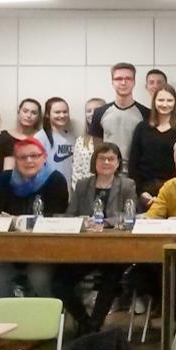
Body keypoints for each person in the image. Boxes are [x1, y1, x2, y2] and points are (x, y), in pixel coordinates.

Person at [57, 142, 138, 335]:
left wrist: (105, 223)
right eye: (102, 158)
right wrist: (82, 221)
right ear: (95, 161)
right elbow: (70, 214)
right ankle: (85, 320)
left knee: (111, 277)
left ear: (118, 163)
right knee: (59, 280)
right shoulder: (84, 185)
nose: (107, 162)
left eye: (111, 158)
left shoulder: (127, 185)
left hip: (115, 250)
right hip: (84, 250)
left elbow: (130, 216)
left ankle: (94, 325)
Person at [0, 138, 69, 299]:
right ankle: (7, 317)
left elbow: (55, 218)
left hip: (43, 250)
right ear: (16, 160)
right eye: (22, 157)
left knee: (39, 278)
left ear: (44, 157)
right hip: (6, 249)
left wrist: (15, 220)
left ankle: (46, 317)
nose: (29, 161)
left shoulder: (56, 180)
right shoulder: (4, 179)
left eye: (34, 156)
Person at [129, 85, 176, 199]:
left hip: (175, 191)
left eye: (169, 100)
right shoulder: (142, 128)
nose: (165, 104)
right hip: (145, 190)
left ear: (175, 103)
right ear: (154, 102)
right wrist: (141, 192)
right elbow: (133, 164)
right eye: (161, 100)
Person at [89, 63, 149, 165]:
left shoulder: (146, 113)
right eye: (118, 79)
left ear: (134, 82)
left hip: (136, 174)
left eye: (128, 78)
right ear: (112, 82)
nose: (123, 82)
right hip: (108, 171)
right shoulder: (99, 113)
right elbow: (98, 149)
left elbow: (147, 149)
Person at [35, 97, 75, 190]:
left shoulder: (71, 138)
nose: (62, 115)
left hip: (69, 190)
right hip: (47, 190)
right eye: (57, 112)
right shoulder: (40, 137)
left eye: (65, 112)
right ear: (48, 114)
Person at [70, 98, 105, 192]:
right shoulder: (80, 141)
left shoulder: (110, 138)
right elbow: (77, 170)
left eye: (97, 110)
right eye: (88, 111)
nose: (92, 113)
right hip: (85, 192)